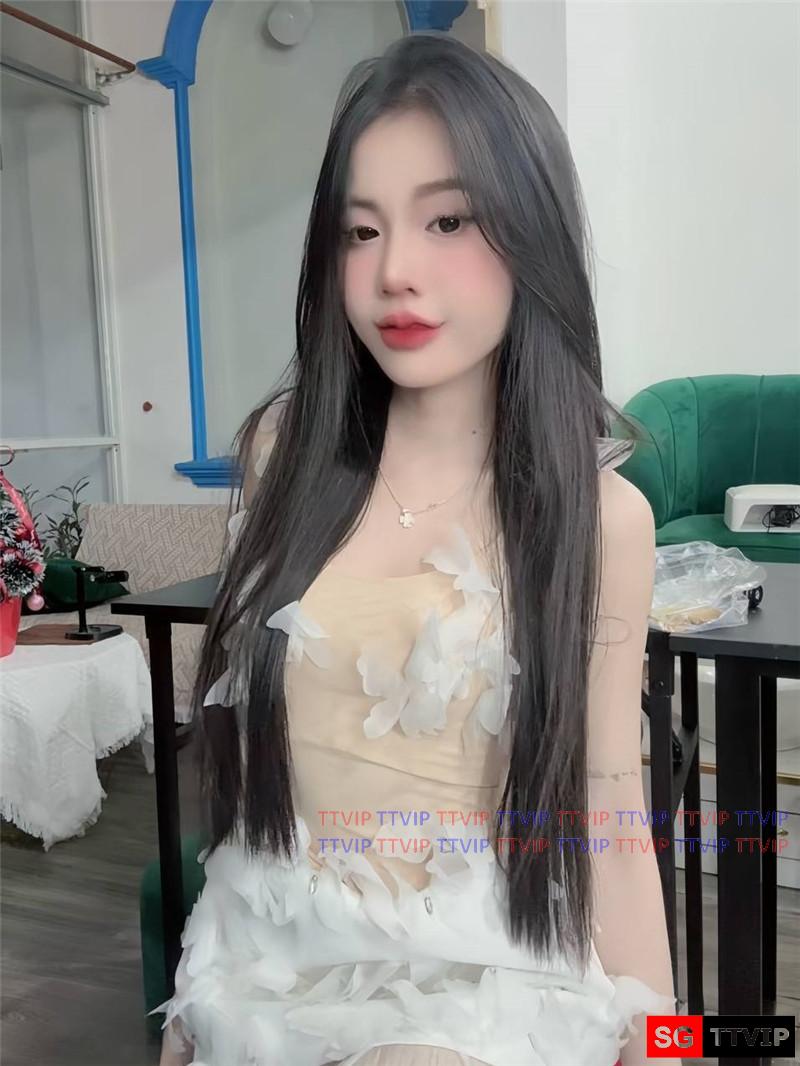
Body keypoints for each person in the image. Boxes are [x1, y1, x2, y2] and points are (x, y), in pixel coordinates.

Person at [156, 31, 677, 1066]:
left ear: (529, 231)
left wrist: (669, 1045)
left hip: (487, 983)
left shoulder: (599, 520)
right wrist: (195, 1005)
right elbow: (258, 786)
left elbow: (610, 814)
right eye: (361, 231)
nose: (394, 271)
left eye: (447, 220)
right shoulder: (281, 457)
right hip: (271, 962)